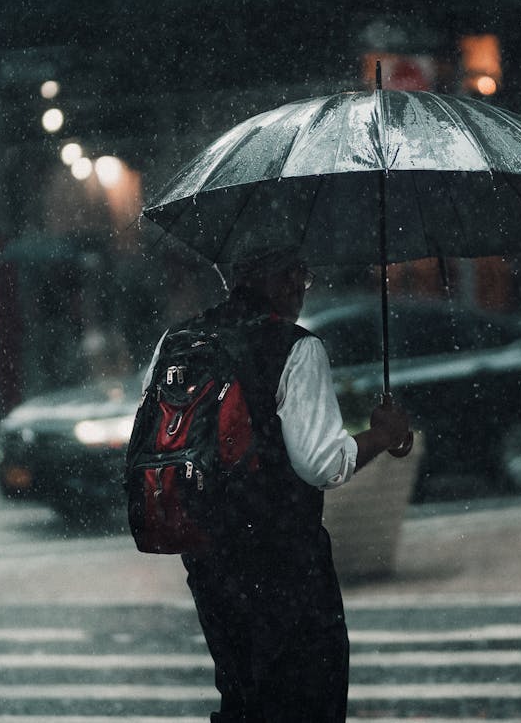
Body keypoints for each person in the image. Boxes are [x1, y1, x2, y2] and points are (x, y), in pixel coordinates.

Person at [140, 245, 413, 722]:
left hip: (210, 562)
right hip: (285, 564)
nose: (301, 290)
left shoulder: (177, 341)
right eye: (300, 277)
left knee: (243, 697)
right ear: (285, 279)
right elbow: (322, 464)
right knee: (306, 701)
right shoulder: (296, 348)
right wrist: (384, 435)